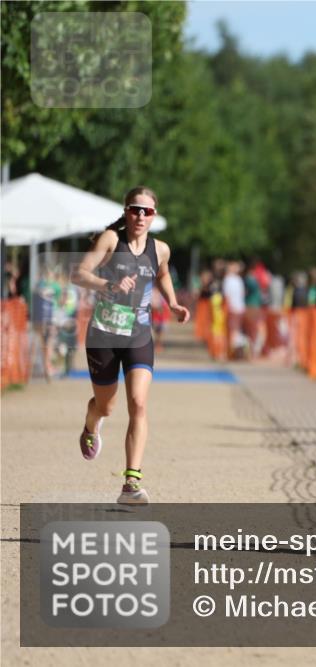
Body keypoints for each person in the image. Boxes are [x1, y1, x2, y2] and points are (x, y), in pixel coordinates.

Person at [72, 186, 190, 505]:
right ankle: (91, 423)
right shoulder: (111, 241)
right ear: (126, 211)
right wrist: (106, 284)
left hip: (138, 336)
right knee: (106, 406)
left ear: (154, 216)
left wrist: (173, 303)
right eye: (135, 209)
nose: (140, 216)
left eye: (147, 211)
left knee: (138, 403)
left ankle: (130, 485)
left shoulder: (161, 249)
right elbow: (78, 273)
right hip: (104, 336)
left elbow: (162, 273)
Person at [222, 261, 248, 358]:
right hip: (235, 308)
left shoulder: (233, 279)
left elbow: (228, 295)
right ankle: (234, 352)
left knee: (234, 330)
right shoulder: (232, 279)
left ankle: (234, 352)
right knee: (234, 330)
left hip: (236, 308)